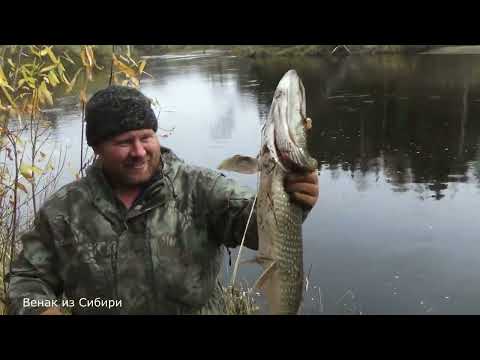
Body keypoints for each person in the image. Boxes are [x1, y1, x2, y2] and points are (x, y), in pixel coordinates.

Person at [5, 85, 319, 315]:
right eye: (124, 142)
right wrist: (40, 310)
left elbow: (255, 226)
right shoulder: (63, 211)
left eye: (146, 137)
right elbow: (26, 278)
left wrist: (292, 198)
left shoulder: (198, 187)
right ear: (97, 148)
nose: (139, 151)